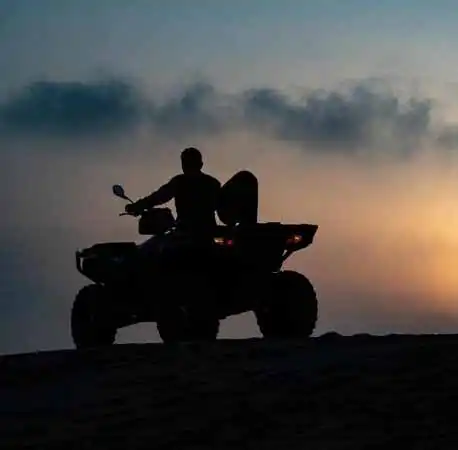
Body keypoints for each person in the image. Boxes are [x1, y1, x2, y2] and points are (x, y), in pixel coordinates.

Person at [125, 147, 221, 237]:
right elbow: (223, 207)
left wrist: (138, 206)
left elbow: (158, 197)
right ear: (201, 164)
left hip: (185, 233)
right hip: (208, 232)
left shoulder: (179, 182)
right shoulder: (213, 183)